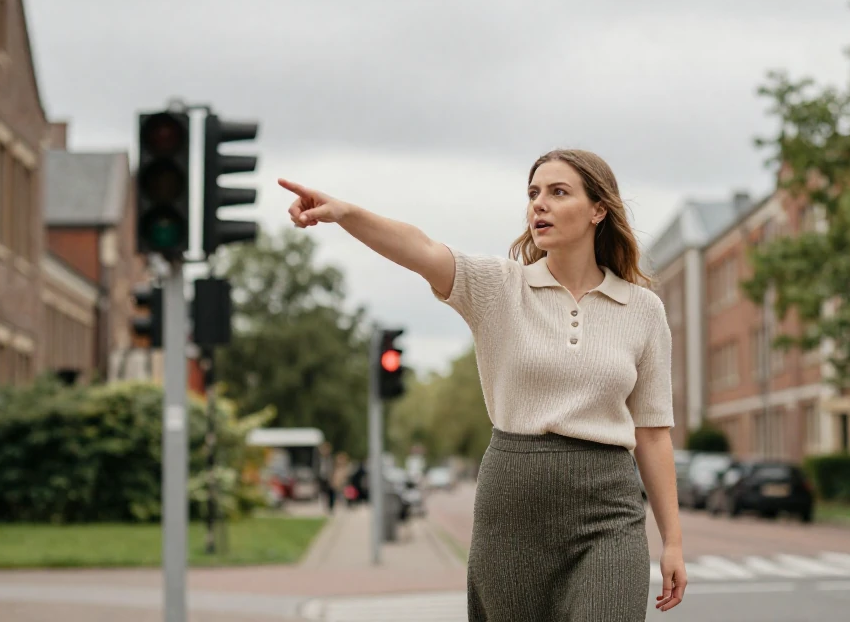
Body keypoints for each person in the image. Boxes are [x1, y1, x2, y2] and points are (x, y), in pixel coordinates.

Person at [281, 149, 686, 620]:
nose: (539, 204)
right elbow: (420, 248)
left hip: (609, 509)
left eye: (558, 192)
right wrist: (345, 213)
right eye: (534, 193)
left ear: (599, 209)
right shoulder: (498, 286)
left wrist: (673, 541)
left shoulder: (642, 310)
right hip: (512, 505)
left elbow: (653, 433)